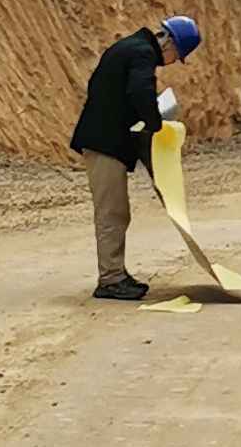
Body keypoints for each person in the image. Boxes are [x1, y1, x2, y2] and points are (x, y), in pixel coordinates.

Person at [68, 15, 201, 301]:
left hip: (104, 138)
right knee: (112, 211)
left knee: (116, 211)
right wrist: (156, 123)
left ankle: (115, 274)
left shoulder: (131, 47)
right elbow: (139, 92)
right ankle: (111, 280)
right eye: (177, 56)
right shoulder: (142, 53)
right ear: (170, 44)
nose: (171, 61)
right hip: (103, 142)